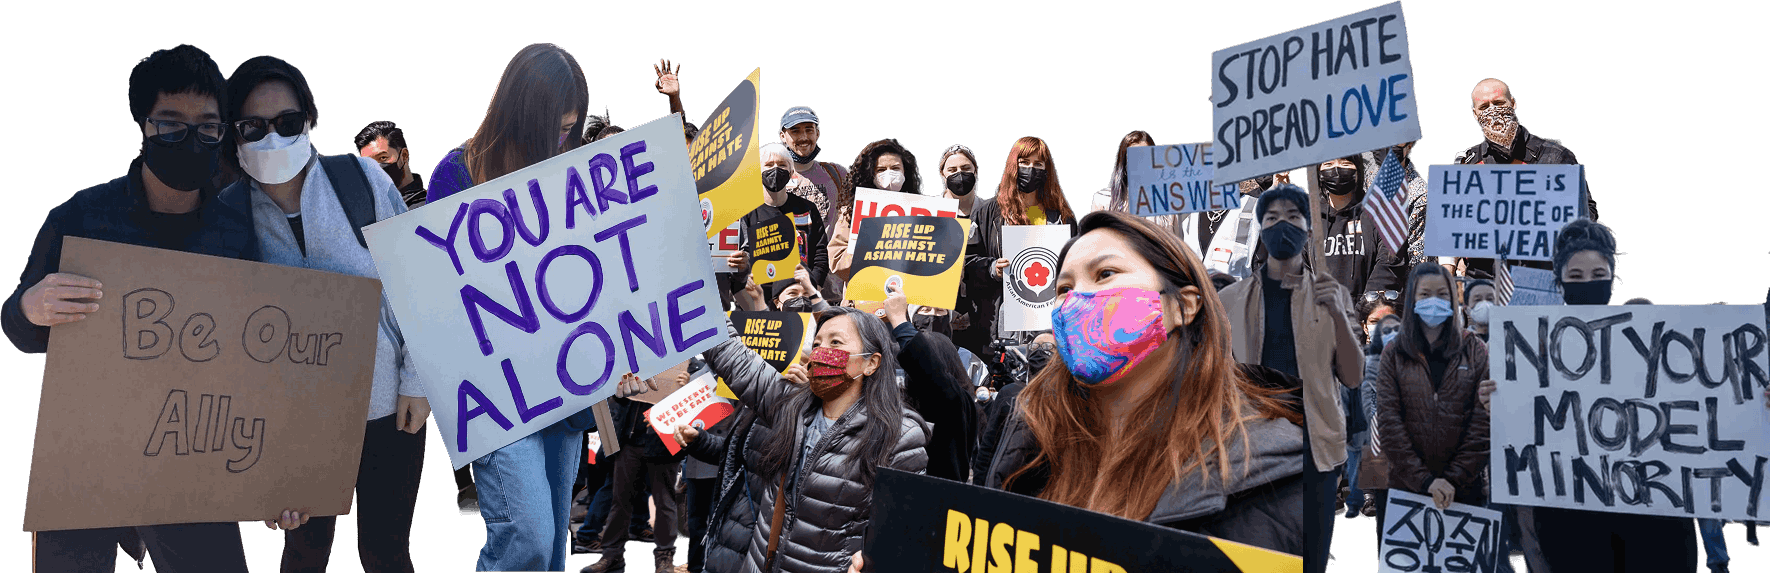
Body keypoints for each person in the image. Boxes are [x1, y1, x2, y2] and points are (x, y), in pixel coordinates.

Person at [7, 42, 289, 573]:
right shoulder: (81, 216)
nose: (190, 137)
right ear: (142, 126)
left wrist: (275, 472)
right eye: (170, 123)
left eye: (207, 125)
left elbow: (262, 358)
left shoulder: (237, 230)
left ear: (224, 131)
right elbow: (18, 327)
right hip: (86, 452)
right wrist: (31, 306)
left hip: (192, 457)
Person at [978, 210, 1305, 555]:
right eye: (1064, 288)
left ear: (1184, 306)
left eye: (1105, 274)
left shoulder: (1276, 474)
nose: (1076, 300)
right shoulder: (1027, 438)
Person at [216, 54, 430, 573]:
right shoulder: (224, 215)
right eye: (253, 126)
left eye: (287, 123)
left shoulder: (362, 181)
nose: (272, 138)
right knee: (304, 553)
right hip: (295, 424)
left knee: (386, 551)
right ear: (233, 134)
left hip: (389, 410)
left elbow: (417, 283)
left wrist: (418, 380)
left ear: (309, 120)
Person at [424, 43, 596, 571]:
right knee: (526, 536)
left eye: (572, 129)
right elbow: (434, 291)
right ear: (520, 113)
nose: (562, 139)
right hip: (500, 389)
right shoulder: (457, 174)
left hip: (567, 385)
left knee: (550, 551)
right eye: (556, 128)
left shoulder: (576, 170)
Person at [1477, 218, 1700, 572]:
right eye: (1575, 276)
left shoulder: (1651, 340)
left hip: (1651, 512)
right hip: (1572, 516)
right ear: (1559, 280)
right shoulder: (1535, 349)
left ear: (1613, 276)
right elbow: (1528, 429)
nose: (1587, 284)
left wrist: (1752, 405)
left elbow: (1700, 409)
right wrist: (1498, 407)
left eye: (1598, 274)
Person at [681, 305, 928, 572]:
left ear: (871, 363)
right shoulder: (789, 403)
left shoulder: (899, 436)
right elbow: (732, 356)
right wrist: (698, 294)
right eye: (818, 343)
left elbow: (902, 533)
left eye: (836, 342)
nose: (822, 351)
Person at [1215, 183, 1363, 572]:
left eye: (1293, 217)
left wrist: (1337, 316)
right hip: (1252, 448)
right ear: (1261, 230)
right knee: (1258, 558)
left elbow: (1352, 375)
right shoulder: (1230, 300)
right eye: (1272, 218)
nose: (1283, 226)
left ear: (1309, 229)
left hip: (1317, 449)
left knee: (1312, 559)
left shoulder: (1332, 295)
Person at [1370, 262, 1501, 567]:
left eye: (1442, 294)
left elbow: (1482, 424)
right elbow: (1389, 423)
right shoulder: (1394, 353)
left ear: (1454, 299)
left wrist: (1452, 480)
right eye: (1425, 293)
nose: (1434, 300)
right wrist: (1426, 481)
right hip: (1406, 489)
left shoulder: (1474, 350)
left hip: (1464, 491)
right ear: (1411, 299)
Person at [1454, 78, 1600, 280]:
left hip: (1540, 278)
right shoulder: (1467, 163)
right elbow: (1454, 225)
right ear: (1475, 113)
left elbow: (1586, 215)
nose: (1492, 111)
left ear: (1513, 103)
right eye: (1484, 107)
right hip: (1482, 284)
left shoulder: (1555, 155)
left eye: (1498, 103)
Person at [969, 136, 1079, 344]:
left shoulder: (1063, 217)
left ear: (1047, 170)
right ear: (1013, 166)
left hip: (1051, 324)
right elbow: (967, 263)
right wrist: (992, 268)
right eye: (1025, 163)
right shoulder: (989, 214)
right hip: (1005, 327)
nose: (1031, 169)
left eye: (1039, 164)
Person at [583, 384, 687, 573]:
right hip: (630, 440)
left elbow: (694, 403)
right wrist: (625, 386)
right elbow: (619, 399)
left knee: (664, 502)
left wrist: (684, 386)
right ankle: (611, 554)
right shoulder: (639, 361)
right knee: (619, 500)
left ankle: (665, 558)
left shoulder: (688, 368)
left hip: (663, 442)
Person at [881, 286, 977, 484]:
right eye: (925, 310)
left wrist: (900, 321)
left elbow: (934, 377)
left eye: (940, 311)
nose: (933, 316)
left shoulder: (957, 402)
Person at [725, 143, 829, 300]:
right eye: (768, 165)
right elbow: (738, 256)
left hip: (799, 298)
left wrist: (813, 288)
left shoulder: (807, 208)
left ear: (791, 171)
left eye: (782, 165)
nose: (775, 169)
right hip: (758, 301)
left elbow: (820, 253)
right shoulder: (745, 212)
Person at [1311, 154, 1411, 299]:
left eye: (1345, 164)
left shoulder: (1382, 215)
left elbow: (1389, 268)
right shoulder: (1309, 220)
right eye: (1328, 164)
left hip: (1366, 317)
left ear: (1358, 172)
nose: (1337, 169)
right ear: (1318, 174)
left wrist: (1363, 312)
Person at [828, 138, 925, 283]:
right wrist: (875, 253)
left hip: (907, 298)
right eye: (881, 170)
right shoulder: (851, 212)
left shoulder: (922, 211)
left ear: (905, 171)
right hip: (863, 299)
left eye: (895, 168)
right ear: (871, 175)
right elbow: (836, 261)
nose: (889, 174)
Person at [777, 106, 848, 299]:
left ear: (818, 133)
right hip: (787, 288)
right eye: (795, 131)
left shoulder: (837, 174)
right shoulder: (769, 177)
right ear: (783, 135)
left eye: (809, 129)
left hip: (833, 290)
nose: (803, 137)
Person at [936, 143, 993, 361]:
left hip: (984, 316)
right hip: (941, 314)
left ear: (976, 171)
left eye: (966, 168)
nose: (960, 174)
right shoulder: (930, 211)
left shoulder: (991, 212)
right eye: (952, 170)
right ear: (942, 174)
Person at [355, 121, 427, 209]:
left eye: (382, 158)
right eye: (368, 163)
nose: (375, 168)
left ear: (404, 155)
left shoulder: (431, 204)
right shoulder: (371, 212)